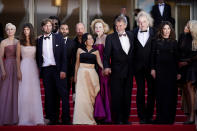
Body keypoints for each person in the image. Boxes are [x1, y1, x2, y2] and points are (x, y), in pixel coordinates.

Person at [36, 18, 69, 125]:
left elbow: (64, 56)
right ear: (42, 27)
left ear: (52, 27)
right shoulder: (39, 41)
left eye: (50, 26)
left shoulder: (59, 37)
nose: (48, 27)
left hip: (58, 69)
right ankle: (52, 118)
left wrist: (63, 70)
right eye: (45, 26)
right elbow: (37, 57)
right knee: (49, 95)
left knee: (63, 94)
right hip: (46, 70)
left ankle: (66, 119)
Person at [103, 16, 134, 124]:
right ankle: (117, 119)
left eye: (120, 25)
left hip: (129, 71)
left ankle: (125, 119)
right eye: (116, 26)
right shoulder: (110, 38)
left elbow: (133, 53)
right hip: (116, 71)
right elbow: (106, 55)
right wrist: (106, 66)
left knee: (127, 95)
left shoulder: (131, 35)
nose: (118, 28)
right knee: (117, 96)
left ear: (125, 25)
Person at [151, 21, 180, 124]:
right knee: (160, 94)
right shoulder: (155, 42)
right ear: (161, 30)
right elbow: (152, 57)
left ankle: (170, 118)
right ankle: (160, 118)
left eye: (168, 29)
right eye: (165, 29)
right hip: (159, 71)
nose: (167, 31)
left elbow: (177, 59)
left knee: (171, 95)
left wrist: (178, 72)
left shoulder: (174, 42)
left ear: (171, 30)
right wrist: (153, 69)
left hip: (171, 72)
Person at [16, 23, 44, 125]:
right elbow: (17, 58)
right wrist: (18, 71)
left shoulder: (35, 41)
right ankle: (24, 117)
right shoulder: (19, 42)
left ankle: (36, 117)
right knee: (24, 91)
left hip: (33, 67)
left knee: (34, 92)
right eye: (24, 29)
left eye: (27, 29)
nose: (26, 31)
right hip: (24, 67)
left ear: (30, 30)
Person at [73, 33, 103, 125]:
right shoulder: (79, 50)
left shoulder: (96, 51)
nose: (91, 40)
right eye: (89, 39)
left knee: (91, 98)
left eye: (92, 39)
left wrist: (106, 68)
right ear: (85, 41)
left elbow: (100, 64)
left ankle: (90, 118)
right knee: (81, 97)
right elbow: (77, 64)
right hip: (81, 74)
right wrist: (75, 76)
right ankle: (80, 120)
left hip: (92, 74)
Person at [133, 11, 155, 124]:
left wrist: (154, 67)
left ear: (148, 22)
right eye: (140, 22)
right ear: (138, 23)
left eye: (144, 22)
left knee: (151, 91)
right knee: (140, 91)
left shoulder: (153, 32)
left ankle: (149, 116)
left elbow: (155, 51)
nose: (142, 24)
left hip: (151, 68)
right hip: (138, 68)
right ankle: (141, 117)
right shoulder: (133, 32)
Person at [90, 19, 111, 123]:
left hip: (103, 68)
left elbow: (108, 55)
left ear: (104, 28)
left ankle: (107, 116)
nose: (98, 29)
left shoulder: (106, 38)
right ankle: (99, 115)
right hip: (95, 69)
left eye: (100, 27)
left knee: (104, 89)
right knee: (97, 90)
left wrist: (105, 67)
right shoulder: (93, 40)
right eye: (96, 27)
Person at [178, 20, 197, 124]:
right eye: (186, 25)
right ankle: (189, 114)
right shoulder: (183, 36)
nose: (185, 27)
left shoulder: (195, 38)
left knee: (190, 90)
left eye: (188, 26)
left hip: (193, 67)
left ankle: (192, 117)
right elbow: (179, 51)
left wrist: (187, 62)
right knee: (186, 91)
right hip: (183, 68)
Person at [0, 23, 19, 125]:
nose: (10, 31)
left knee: (16, 91)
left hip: (17, 67)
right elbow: (0, 57)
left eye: (12, 29)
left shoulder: (18, 42)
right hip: (7, 66)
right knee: (5, 92)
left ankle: (15, 118)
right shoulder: (3, 42)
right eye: (8, 29)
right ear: (6, 31)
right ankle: (5, 117)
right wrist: (3, 70)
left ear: (15, 30)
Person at [59, 23, 76, 104]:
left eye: (66, 29)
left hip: (68, 74)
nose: (64, 31)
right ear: (59, 30)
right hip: (56, 72)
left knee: (66, 96)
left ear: (68, 30)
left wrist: (72, 74)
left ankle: (66, 116)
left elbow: (73, 60)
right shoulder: (55, 41)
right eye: (62, 28)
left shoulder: (72, 43)